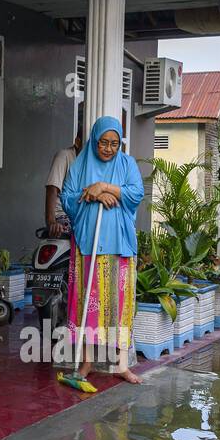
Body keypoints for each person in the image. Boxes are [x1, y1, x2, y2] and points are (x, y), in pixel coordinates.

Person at [59, 115, 144, 384]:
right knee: (87, 304)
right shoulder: (80, 165)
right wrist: (93, 194)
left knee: (118, 307)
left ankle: (121, 365)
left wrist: (106, 187)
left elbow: (136, 193)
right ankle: (86, 364)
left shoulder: (127, 164)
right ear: (94, 141)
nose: (108, 148)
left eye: (114, 143)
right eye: (103, 143)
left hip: (120, 246)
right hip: (88, 246)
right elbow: (67, 197)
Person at [44, 124, 83, 237]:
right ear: (77, 142)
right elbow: (52, 188)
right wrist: (51, 222)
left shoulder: (88, 162)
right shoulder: (64, 156)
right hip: (62, 216)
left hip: (79, 216)